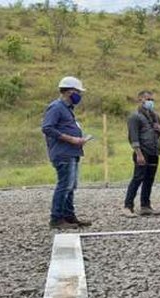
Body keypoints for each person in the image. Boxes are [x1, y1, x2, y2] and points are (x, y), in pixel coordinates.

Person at [41, 76, 93, 229]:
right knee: (64, 186)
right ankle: (56, 218)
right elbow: (47, 128)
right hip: (64, 152)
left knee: (70, 186)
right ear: (70, 91)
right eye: (78, 92)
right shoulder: (56, 107)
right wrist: (71, 139)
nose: (79, 95)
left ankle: (69, 216)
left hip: (72, 152)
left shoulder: (67, 109)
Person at [123, 90, 160, 217]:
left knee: (149, 179)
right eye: (147, 99)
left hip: (154, 151)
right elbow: (133, 137)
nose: (150, 102)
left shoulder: (155, 116)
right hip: (143, 151)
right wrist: (138, 154)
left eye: (152, 99)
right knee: (138, 178)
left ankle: (145, 205)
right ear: (140, 100)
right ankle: (127, 206)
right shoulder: (135, 117)